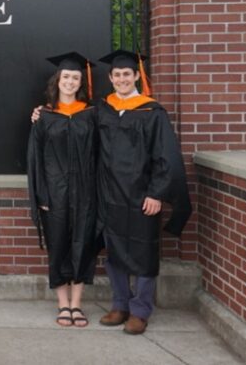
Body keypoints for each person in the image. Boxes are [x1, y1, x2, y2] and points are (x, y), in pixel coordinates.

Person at [94, 50, 191, 336]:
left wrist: (157, 193)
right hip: (110, 195)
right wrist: (40, 114)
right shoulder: (103, 109)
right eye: (117, 75)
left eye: (127, 74)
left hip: (141, 196)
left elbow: (166, 157)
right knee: (114, 253)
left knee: (144, 251)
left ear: (137, 76)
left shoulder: (152, 112)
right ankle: (120, 304)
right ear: (110, 78)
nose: (122, 79)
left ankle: (140, 310)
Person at [26, 52, 99, 328]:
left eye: (75, 78)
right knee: (58, 247)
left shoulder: (91, 114)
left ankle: (77, 305)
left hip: (85, 192)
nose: (70, 82)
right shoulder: (43, 116)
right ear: (57, 80)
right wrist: (42, 194)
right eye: (66, 77)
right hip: (54, 194)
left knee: (82, 245)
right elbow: (35, 159)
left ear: (81, 83)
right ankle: (62, 305)